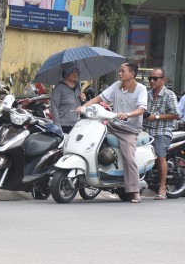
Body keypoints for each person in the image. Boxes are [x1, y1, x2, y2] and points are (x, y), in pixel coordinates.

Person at [77, 62, 147, 203]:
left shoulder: (141, 89)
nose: (120, 74)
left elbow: (141, 109)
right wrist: (83, 106)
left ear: (132, 74)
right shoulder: (116, 86)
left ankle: (134, 190)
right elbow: (100, 98)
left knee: (129, 156)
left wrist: (128, 114)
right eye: (119, 71)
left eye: (123, 71)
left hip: (129, 129)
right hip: (112, 124)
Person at [143, 68, 179, 199]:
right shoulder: (146, 94)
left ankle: (162, 187)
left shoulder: (169, 95)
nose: (152, 81)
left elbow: (176, 114)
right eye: (150, 78)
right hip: (144, 129)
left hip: (161, 130)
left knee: (159, 155)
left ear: (163, 80)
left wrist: (156, 117)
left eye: (155, 78)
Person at [51, 65, 84, 133]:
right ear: (66, 74)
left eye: (76, 72)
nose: (75, 74)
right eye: (72, 72)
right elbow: (54, 107)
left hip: (77, 123)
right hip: (64, 125)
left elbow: (79, 105)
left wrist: (83, 99)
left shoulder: (77, 86)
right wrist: (57, 126)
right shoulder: (59, 88)